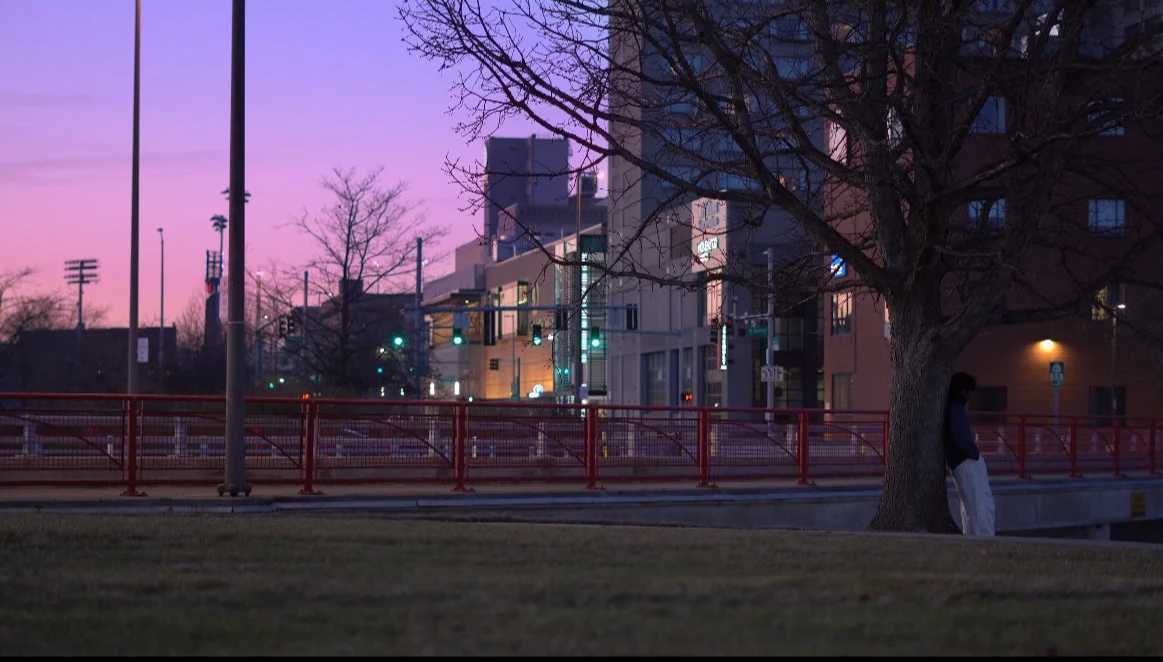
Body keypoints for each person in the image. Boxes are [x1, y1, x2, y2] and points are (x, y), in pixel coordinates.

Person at [944, 371, 996, 537]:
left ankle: (972, 535)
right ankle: (985, 536)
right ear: (962, 391)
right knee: (980, 501)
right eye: (970, 391)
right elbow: (960, 438)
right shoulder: (956, 411)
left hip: (958, 461)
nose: (971, 395)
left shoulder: (950, 409)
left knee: (969, 504)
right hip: (966, 460)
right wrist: (973, 452)